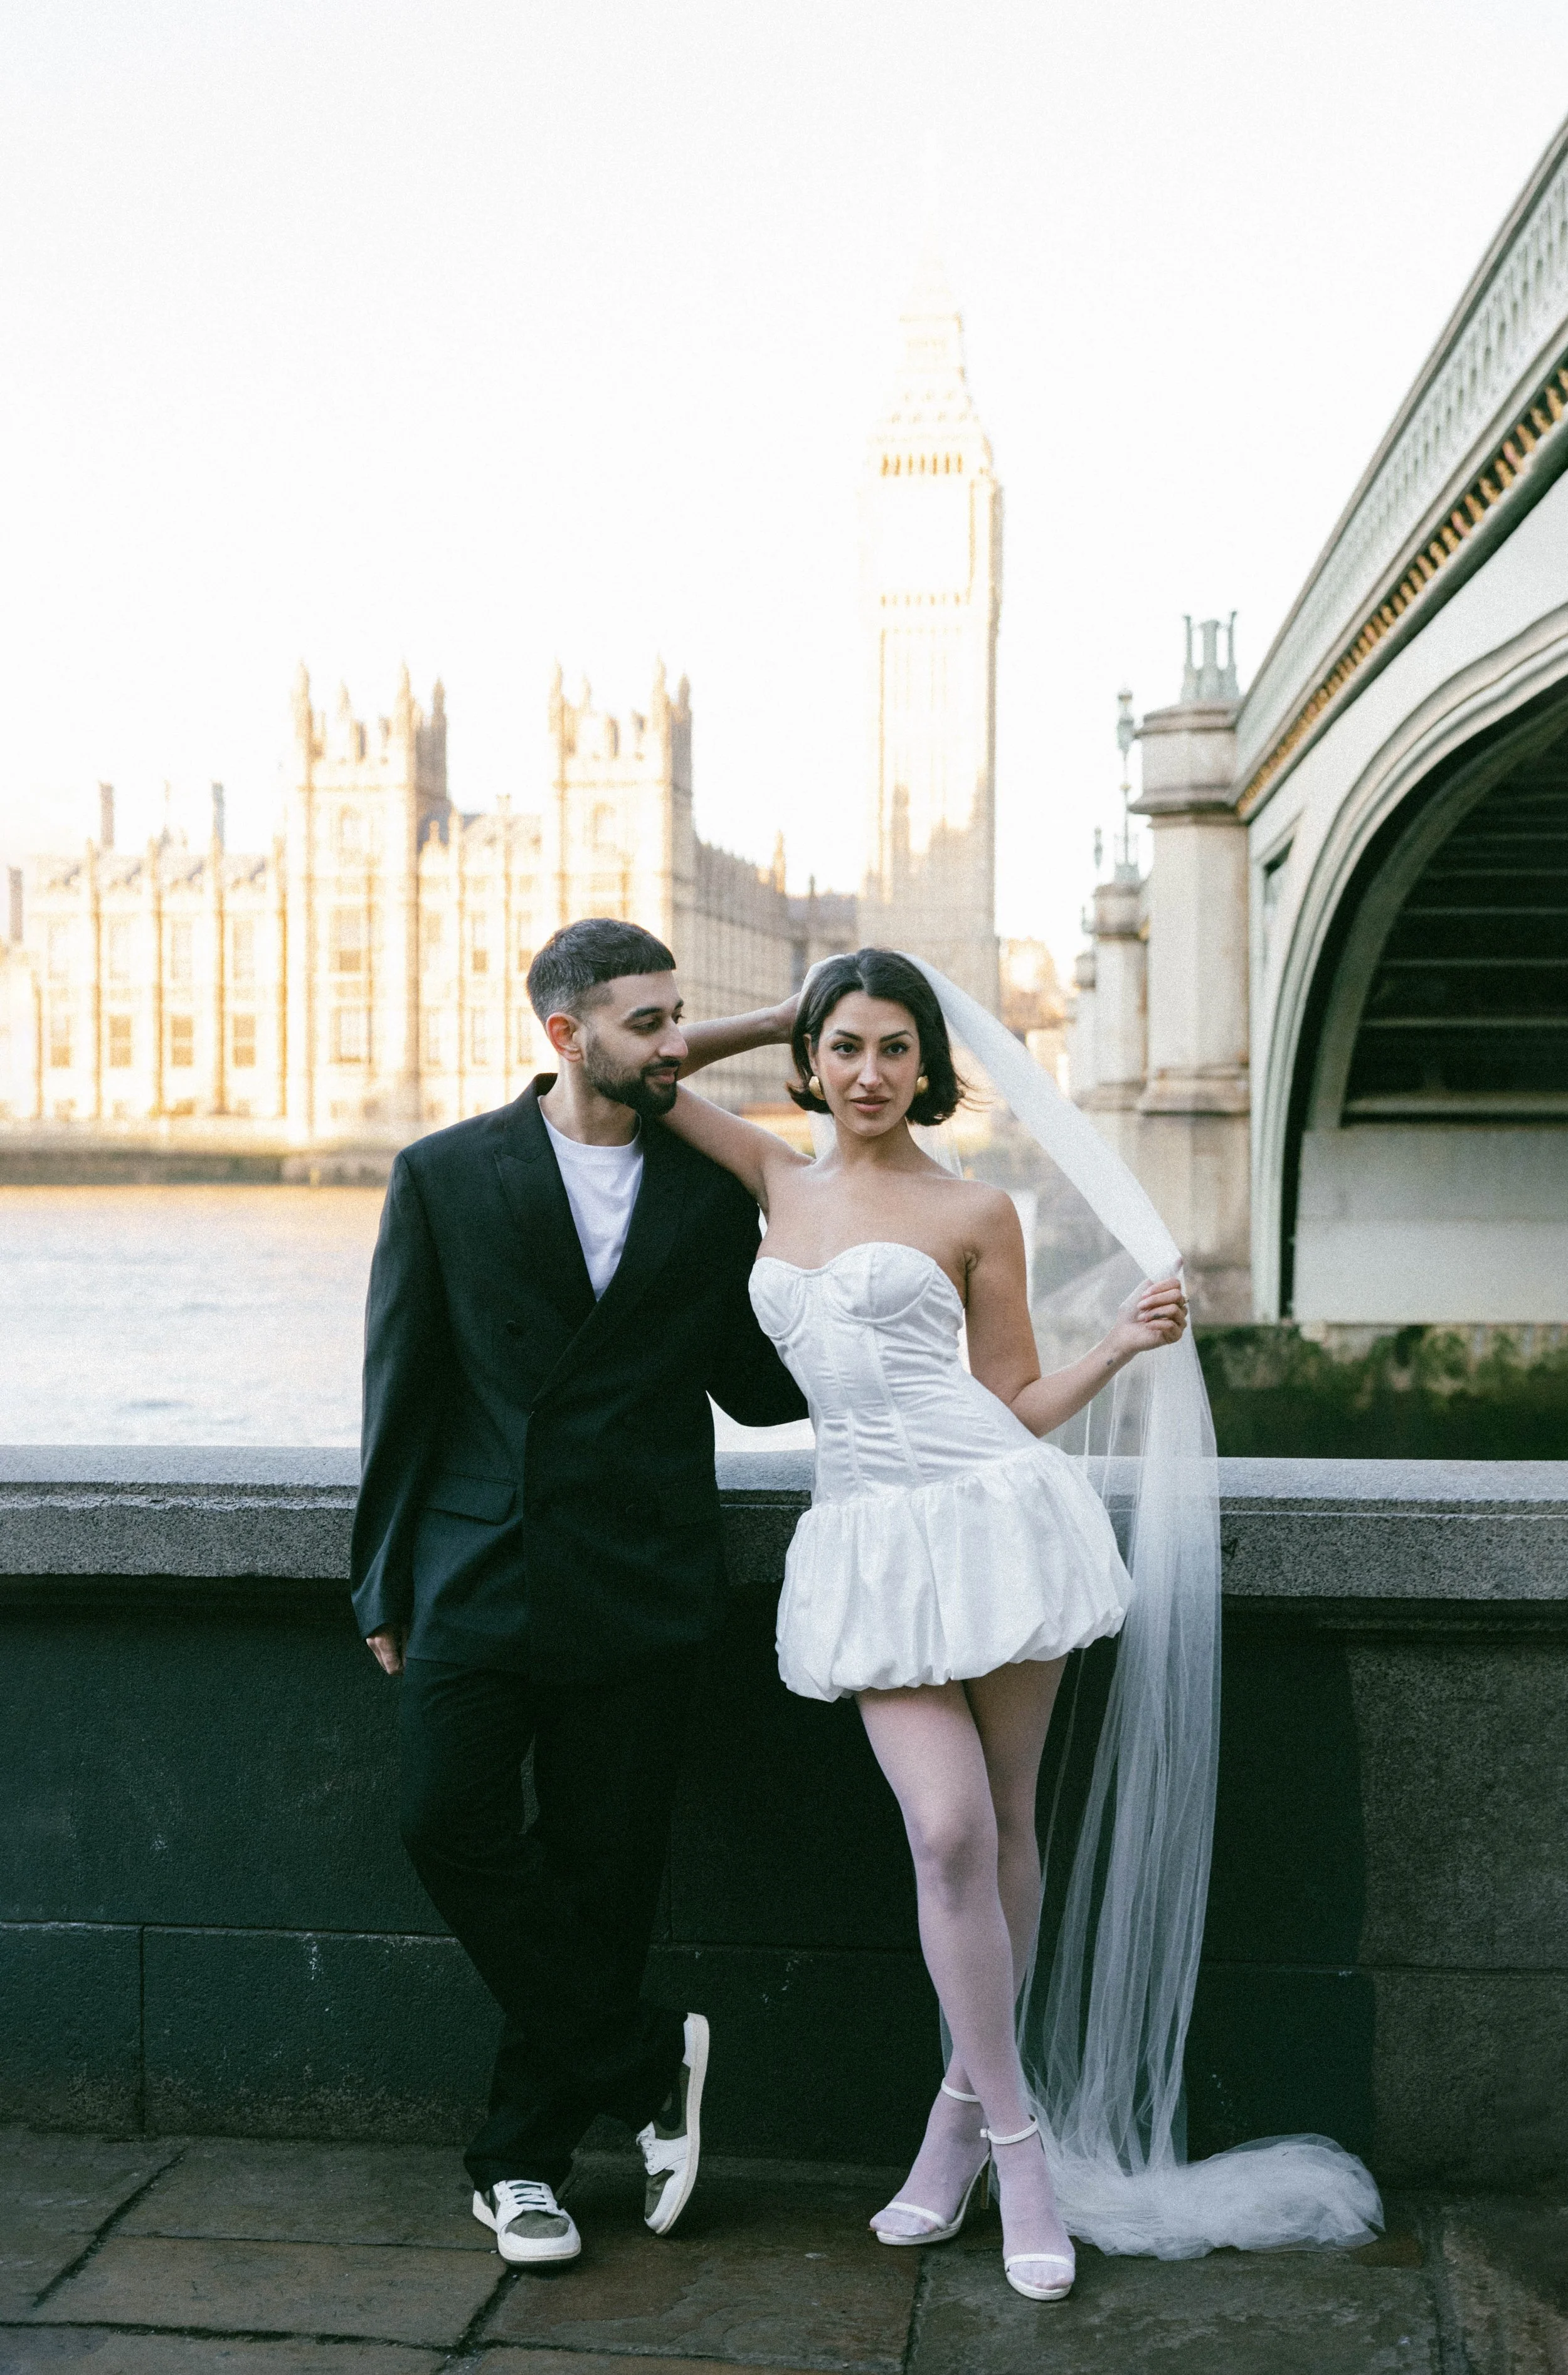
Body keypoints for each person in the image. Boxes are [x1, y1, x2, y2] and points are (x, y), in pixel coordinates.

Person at [656, 946, 1189, 2303]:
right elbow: (633, 1068)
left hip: (993, 1511)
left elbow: (1005, 1396)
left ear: (926, 1067)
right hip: (866, 1540)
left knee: (1002, 1823)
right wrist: (772, 1008)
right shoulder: (772, 1175)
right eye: (842, 1047)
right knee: (943, 1827)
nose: (869, 1073)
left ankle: (965, 2132)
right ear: (811, 1060)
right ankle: (1016, 2136)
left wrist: (1117, 1347)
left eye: (895, 1048)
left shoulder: (974, 1208)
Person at [349, 917, 806, 2268]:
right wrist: (381, 1575)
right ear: (566, 1035)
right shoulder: (442, 1175)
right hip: (479, 1569)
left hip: (642, 1577)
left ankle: (520, 2167)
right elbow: (403, 1389)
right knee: (447, 1822)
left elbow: (758, 1390)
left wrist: (822, 1242)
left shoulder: (711, 1190)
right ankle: (644, 2056)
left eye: (683, 1017)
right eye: (652, 1023)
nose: (680, 1044)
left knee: (602, 1881)